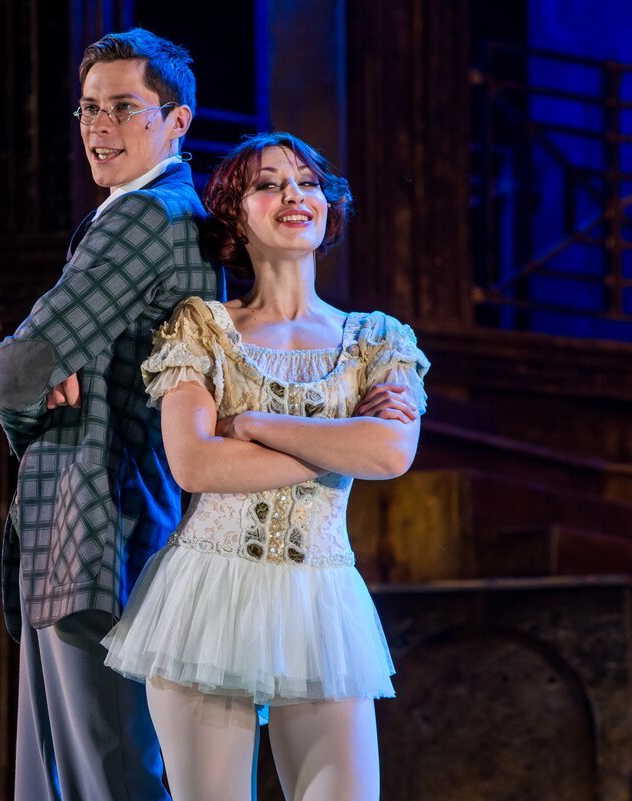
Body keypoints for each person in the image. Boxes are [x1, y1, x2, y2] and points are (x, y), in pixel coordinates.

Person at [101, 131, 430, 801]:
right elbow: (196, 464)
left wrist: (252, 425)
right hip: (207, 592)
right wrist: (341, 442)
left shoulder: (376, 338)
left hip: (320, 595)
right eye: (269, 184)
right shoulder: (202, 327)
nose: (294, 195)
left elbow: (390, 453)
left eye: (307, 183)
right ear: (234, 212)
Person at [0, 28, 225, 801]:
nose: (99, 126)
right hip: (94, 531)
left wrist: (23, 401)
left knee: (104, 777)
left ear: (177, 121)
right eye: (88, 108)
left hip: (97, 530)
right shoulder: (157, 213)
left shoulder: (146, 216)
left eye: (123, 107)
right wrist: (39, 376)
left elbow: (15, 373)